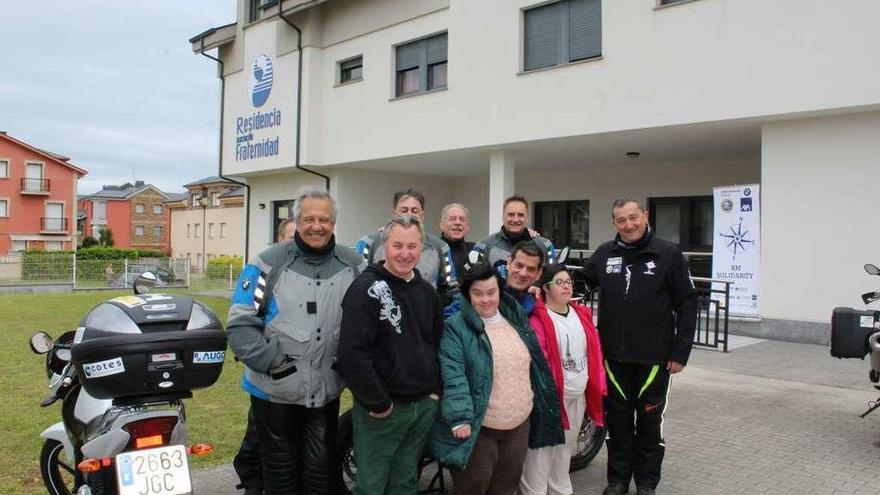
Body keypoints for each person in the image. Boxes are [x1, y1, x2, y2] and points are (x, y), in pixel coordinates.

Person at [227, 188, 365, 495]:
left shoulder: (354, 265)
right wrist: (274, 363)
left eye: (324, 219)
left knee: (320, 473)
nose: (317, 226)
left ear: (334, 222)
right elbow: (240, 323)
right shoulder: (267, 264)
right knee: (281, 474)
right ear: (297, 220)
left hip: (325, 392)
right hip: (275, 392)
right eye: (309, 219)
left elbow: (368, 321)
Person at [580, 198, 697, 495]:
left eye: (634, 217)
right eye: (622, 220)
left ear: (644, 216)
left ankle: (646, 482)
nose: (629, 225)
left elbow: (687, 303)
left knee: (649, 423)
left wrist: (680, 351)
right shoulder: (606, 254)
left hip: (655, 359)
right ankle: (618, 480)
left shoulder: (668, 254)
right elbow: (578, 281)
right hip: (614, 359)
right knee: (617, 423)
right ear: (615, 223)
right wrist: (545, 268)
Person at [430, 261, 563, 494]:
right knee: (474, 486)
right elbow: (453, 374)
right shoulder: (455, 328)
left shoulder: (515, 318)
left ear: (500, 291)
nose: (486, 299)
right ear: (467, 295)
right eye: (478, 293)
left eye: (491, 292)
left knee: (506, 487)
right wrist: (459, 417)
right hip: (479, 429)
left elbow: (534, 364)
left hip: (518, 426)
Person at [339, 215, 444, 495]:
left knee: (405, 483)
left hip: (422, 406)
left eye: (412, 246)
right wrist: (378, 402)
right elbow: (352, 353)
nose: (405, 253)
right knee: (372, 485)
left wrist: (434, 391)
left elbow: (436, 344)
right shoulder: (365, 290)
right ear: (385, 245)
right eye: (398, 245)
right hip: (383, 411)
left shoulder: (428, 293)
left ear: (422, 248)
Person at [520, 264, 607, 495]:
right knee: (540, 456)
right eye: (559, 282)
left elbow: (594, 353)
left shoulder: (581, 314)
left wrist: (597, 386)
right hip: (550, 400)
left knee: (563, 454)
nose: (566, 286)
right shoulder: (538, 317)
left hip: (577, 396)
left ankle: (561, 490)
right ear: (545, 288)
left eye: (568, 281)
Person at [233, 214, 297, 494]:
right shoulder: (264, 271)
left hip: (305, 386)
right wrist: (271, 362)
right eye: (291, 237)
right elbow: (244, 324)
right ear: (280, 240)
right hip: (268, 384)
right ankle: (252, 485)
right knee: (258, 442)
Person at [356, 188, 460, 310]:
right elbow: (357, 284)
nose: (409, 214)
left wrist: (443, 320)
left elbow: (453, 290)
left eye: (415, 211)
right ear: (394, 214)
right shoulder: (369, 242)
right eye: (404, 210)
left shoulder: (440, 247)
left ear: (422, 215)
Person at [471, 195, 555, 271]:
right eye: (511, 214)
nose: (515, 220)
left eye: (520, 215)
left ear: (527, 218)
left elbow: (552, 278)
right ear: (503, 217)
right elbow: (473, 279)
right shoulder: (484, 246)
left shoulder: (545, 246)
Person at [503, 240, 545, 314]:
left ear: (538, 273)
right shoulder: (486, 295)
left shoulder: (541, 307)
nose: (523, 274)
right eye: (519, 265)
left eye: (531, 269)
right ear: (509, 263)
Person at [438, 202, 474, 275]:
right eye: (452, 219)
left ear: (467, 227)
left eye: (462, 219)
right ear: (441, 225)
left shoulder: (474, 251)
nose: (458, 222)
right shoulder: (433, 250)